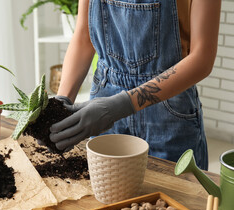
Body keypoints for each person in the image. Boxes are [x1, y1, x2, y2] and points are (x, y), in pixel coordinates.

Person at [48, 0, 221, 170]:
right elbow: (84, 36)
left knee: (176, 194)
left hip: (168, 112)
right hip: (104, 98)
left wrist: (123, 105)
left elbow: (202, 59)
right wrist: (61, 104)